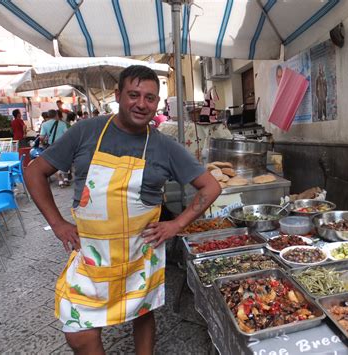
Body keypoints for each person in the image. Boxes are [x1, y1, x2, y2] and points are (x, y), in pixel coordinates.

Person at [23, 65, 221, 354]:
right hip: (92, 254)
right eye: (134, 94)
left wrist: (176, 224)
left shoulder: (164, 146)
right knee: (78, 331)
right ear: (118, 95)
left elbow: (211, 187)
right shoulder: (86, 131)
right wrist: (57, 223)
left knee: (142, 311)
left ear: (157, 103)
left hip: (140, 253)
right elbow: (34, 172)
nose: (142, 104)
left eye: (150, 98)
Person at [39, 109, 69, 187]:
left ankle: (60, 181)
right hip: (62, 145)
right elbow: (67, 135)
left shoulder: (44, 125)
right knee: (64, 161)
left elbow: (41, 137)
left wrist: (43, 143)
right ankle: (66, 179)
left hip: (52, 146)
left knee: (54, 163)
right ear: (56, 115)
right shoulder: (62, 124)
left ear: (48, 116)